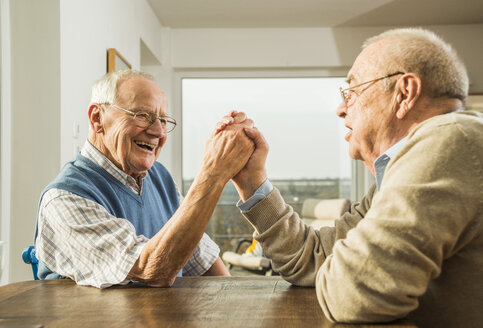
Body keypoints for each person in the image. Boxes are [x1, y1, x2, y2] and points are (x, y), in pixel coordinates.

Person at [221, 28, 483, 327]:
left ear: (405, 93)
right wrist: (252, 181)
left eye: (353, 90)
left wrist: (342, 270)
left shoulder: (449, 141)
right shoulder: (403, 170)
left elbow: (355, 293)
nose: (341, 108)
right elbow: (311, 258)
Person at [35, 70, 254, 288]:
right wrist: (213, 173)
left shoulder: (161, 178)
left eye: (163, 120)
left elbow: (201, 260)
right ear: (97, 118)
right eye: (143, 115)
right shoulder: (64, 198)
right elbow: (152, 270)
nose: (158, 131)